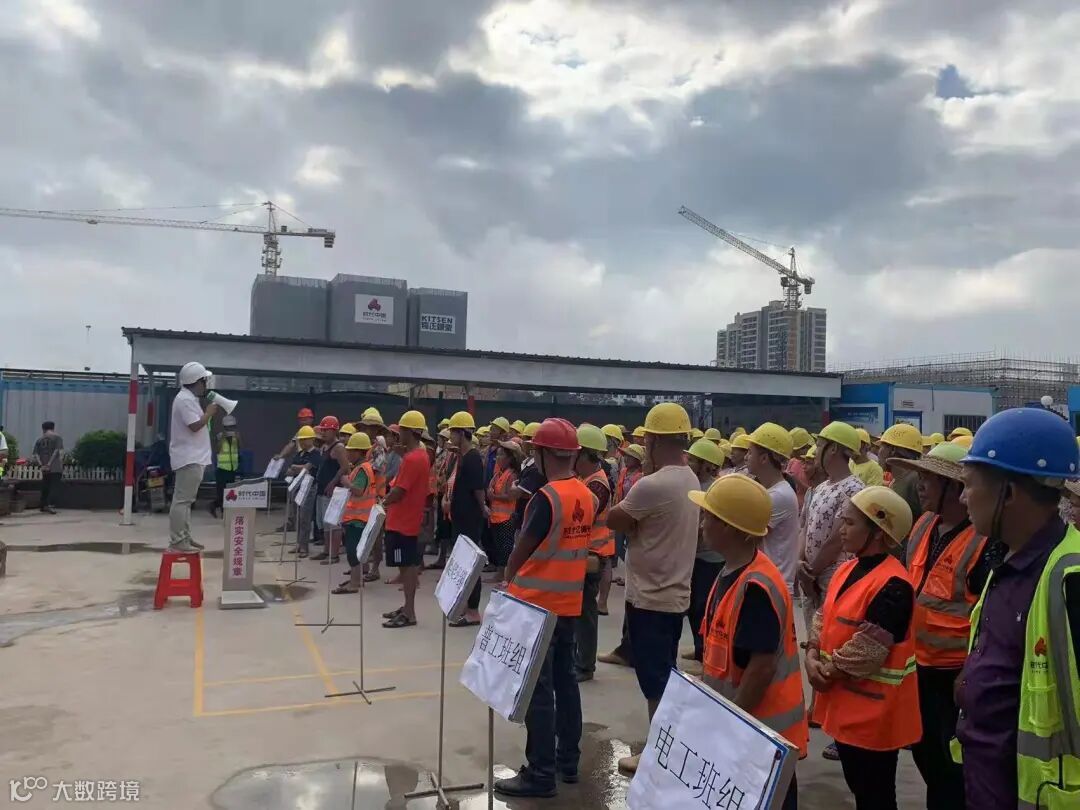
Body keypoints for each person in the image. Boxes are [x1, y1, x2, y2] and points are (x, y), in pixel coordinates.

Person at [953, 408, 1080, 809]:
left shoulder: (1070, 577)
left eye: (969, 484)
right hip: (987, 783)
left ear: (1008, 493)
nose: (962, 497)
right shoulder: (1004, 560)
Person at [887, 441, 1001, 810]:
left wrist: (970, 670)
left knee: (953, 769)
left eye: (929, 478)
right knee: (928, 758)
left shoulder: (984, 541)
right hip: (918, 666)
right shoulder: (923, 525)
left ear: (954, 487)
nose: (920, 485)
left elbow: (990, 616)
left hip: (954, 676)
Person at [691, 474, 808, 810]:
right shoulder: (733, 571)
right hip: (748, 724)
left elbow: (761, 668)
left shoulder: (756, 586)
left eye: (710, 517)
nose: (702, 523)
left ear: (731, 527)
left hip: (762, 729)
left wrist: (732, 723)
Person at [494, 419, 595, 799]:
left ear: (540, 454)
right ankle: (568, 761)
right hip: (568, 603)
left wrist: (509, 576)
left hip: (537, 606)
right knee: (566, 684)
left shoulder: (546, 497)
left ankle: (540, 773)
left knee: (539, 690)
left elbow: (521, 550)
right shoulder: (585, 494)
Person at [806, 486, 921, 810]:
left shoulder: (894, 584)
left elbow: (870, 649)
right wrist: (812, 652)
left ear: (879, 531)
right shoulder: (846, 568)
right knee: (860, 788)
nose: (841, 529)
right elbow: (823, 614)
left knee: (876, 796)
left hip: (875, 717)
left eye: (850, 523)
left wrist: (824, 671)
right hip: (847, 709)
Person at [606, 402, 700, 774]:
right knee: (664, 673)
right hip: (672, 593)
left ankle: (659, 751)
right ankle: (667, 743)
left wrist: (640, 489)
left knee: (655, 680)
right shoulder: (689, 478)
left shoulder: (653, 484)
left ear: (655, 441)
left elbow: (615, 519)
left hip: (651, 597)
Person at [796, 420, 865, 760]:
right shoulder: (820, 487)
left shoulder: (853, 488)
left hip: (834, 575)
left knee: (835, 645)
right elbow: (805, 526)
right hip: (812, 576)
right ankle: (816, 706)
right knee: (815, 642)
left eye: (821, 445)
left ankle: (836, 717)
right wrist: (801, 564)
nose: (817, 452)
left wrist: (812, 569)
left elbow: (839, 536)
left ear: (834, 449)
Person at [379, 410, 431, 628]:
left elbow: (399, 490)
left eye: (401, 430)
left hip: (402, 522)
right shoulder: (417, 456)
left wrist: (383, 502)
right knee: (405, 565)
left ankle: (409, 612)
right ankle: (407, 607)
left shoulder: (413, 459)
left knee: (406, 567)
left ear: (409, 432)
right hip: (405, 520)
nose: (398, 434)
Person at [572, 424, 616, 683]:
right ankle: (579, 659)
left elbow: (581, 514)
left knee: (586, 613)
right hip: (582, 553)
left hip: (592, 556)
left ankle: (585, 664)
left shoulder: (597, 484)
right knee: (578, 612)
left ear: (585, 455)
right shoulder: (584, 479)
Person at [681, 437, 726, 668]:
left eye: (694, 460)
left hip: (710, 558)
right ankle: (700, 648)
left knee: (703, 605)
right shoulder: (693, 484)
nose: (689, 463)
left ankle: (706, 653)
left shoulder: (714, 489)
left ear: (706, 465)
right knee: (693, 606)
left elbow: (705, 525)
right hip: (694, 554)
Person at [167, 362, 217, 552]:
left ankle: (184, 537)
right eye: (204, 381)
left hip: (193, 457)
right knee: (182, 501)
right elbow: (194, 425)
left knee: (186, 501)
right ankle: (178, 540)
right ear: (197, 381)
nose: (206, 384)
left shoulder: (188, 398)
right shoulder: (185, 400)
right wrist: (209, 413)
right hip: (189, 458)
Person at [745, 423, 801, 595]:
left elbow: (745, 537)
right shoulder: (771, 491)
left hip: (772, 586)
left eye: (750, 452)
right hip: (765, 582)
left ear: (764, 458)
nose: (746, 457)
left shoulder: (778, 496)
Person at [446, 411, 488, 628]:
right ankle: (465, 605)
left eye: (453, 432)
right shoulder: (462, 457)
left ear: (463, 433)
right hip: (460, 517)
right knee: (462, 563)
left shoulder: (472, 458)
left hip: (469, 519)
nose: (451, 436)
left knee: (471, 564)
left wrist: (483, 508)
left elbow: (478, 489)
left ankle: (473, 611)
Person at [332, 432, 376, 594]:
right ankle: (355, 579)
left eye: (350, 450)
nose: (348, 453)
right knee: (354, 549)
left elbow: (358, 490)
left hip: (358, 518)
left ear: (359, 452)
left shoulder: (363, 469)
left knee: (353, 551)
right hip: (356, 517)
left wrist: (347, 483)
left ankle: (355, 582)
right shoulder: (361, 467)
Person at [310, 416, 350, 564]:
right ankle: (326, 551)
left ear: (334, 431)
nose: (324, 433)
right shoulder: (324, 447)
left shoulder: (338, 448)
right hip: (322, 489)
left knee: (334, 523)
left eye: (327, 430)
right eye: (323, 430)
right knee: (325, 523)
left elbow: (345, 467)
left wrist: (333, 482)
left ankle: (334, 555)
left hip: (334, 491)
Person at [486, 440, 522, 583]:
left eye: (501, 455)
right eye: (497, 454)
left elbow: (510, 496)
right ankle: (500, 573)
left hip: (506, 518)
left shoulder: (511, 475)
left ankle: (503, 574)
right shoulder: (499, 474)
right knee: (498, 546)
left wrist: (493, 496)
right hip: (496, 517)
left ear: (509, 458)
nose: (497, 458)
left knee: (505, 548)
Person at [876, 423, 924, 524]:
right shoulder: (900, 479)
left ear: (892, 450)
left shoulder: (915, 480)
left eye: (881, 447)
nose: (878, 452)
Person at [286, 426, 321, 557]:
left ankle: (304, 547)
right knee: (298, 517)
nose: (302, 442)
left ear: (311, 439)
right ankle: (299, 543)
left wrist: (295, 467)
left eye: (305, 439)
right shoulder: (300, 454)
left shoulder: (315, 454)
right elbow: (290, 470)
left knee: (305, 517)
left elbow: (306, 468)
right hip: (297, 487)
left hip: (309, 488)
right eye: (301, 440)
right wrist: (296, 468)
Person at [210, 415, 240, 519]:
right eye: (229, 427)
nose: (231, 429)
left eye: (232, 427)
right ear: (225, 427)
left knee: (229, 493)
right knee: (221, 493)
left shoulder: (236, 436)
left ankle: (219, 509)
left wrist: (238, 438)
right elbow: (217, 449)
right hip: (222, 469)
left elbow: (240, 447)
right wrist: (222, 439)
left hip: (232, 469)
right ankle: (218, 509)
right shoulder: (220, 436)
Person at [33, 420, 65, 514]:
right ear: (53, 428)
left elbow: (36, 454)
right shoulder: (57, 437)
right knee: (54, 486)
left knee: (45, 486)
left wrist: (42, 465)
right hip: (55, 466)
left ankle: (43, 505)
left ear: (43, 429)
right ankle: (51, 505)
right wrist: (49, 464)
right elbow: (57, 451)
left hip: (44, 467)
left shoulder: (39, 439)